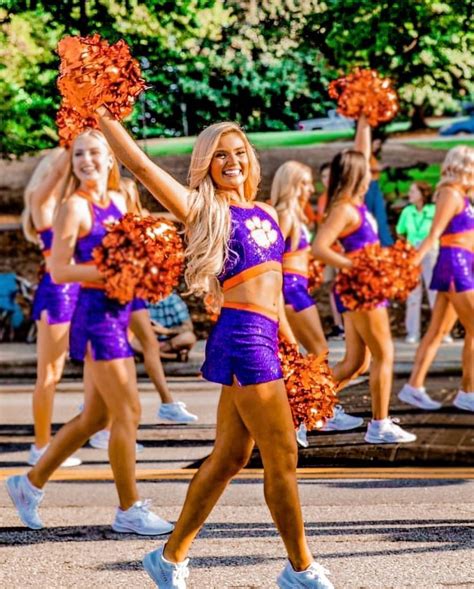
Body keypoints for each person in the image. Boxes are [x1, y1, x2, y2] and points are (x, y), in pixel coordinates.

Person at [98, 110, 334, 588]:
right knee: (282, 458)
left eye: (239, 152)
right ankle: (300, 570)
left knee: (228, 458)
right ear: (206, 164)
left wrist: (294, 351)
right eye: (220, 155)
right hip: (244, 339)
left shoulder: (266, 212)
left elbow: (276, 293)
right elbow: (141, 167)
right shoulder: (206, 210)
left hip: (267, 338)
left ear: (251, 158)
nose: (232, 161)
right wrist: (103, 116)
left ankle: (169, 558)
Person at [7, 130, 173, 536]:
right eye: (79, 154)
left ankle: (28, 484)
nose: (86, 160)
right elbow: (60, 270)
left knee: (97, 415)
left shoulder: (119, 202)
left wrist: (147, 267)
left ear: (110, 158)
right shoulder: (73, 209)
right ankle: (128, 508)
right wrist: (118, 271)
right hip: (95, 317)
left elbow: (138, 252)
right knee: (128, 411)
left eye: (95, 152)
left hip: (118, 310)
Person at [313, 115, 417, 445]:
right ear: (357, 174)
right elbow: (319, 248)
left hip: (359, 288)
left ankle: (305, 408)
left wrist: (364, 118)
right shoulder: (344, 208)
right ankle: (380, 424)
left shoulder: (354, 202)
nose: (372, 171)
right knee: (385, 355)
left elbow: (359, 149)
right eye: (367, 169)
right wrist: (355, 265)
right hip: (361, 289)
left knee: (356, 361)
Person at [270, 161, 361, 441]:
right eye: (306, 182)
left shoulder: (296, 213)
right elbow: (270, 258)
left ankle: (315, 410)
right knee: (318, 354)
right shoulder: (285, 215)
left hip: (298, 289)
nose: (311, 188)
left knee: (313, 357)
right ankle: (313, 412)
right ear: (294, 185)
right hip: (291, 291)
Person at [399, 146, 474, 412]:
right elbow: (433, 235)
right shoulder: (451, 193)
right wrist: (407, 267)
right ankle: (468, 391)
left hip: (462, 263)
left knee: (437, 331)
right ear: (464, 165)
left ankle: (414, 387)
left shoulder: (461, 194)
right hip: (456, 264)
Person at [22, 147, 81, 468]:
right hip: (59, 295)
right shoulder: (44, 208)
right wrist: (71, 147)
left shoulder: (74, 207)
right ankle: (41, 445)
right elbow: (53, 180)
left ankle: (101, 427)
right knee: (49, 374)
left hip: (81, 293)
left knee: (103, 365)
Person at [396, 182, 437, 344]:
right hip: (412, 252)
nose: (409, 194)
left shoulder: (433, 210)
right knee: (413, 294)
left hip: (431, 251)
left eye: (413, 191)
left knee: (434, 292)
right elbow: (400, 232)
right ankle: (413, 332)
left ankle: (441, 332)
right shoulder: (407, 211)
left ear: (423, 193)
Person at [144, 292, 197, 362]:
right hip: (146, 341)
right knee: (131, 341)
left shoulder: (173, 299)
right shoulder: (139, 301)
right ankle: (171, 356)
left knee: (189, 337)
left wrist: (165, 331)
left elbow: (188, 327)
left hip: (168, 342)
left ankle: (151, 354)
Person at [364, 133, 394, 247]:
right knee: (372, 213)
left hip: (375, 185)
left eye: (379, 144)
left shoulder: (372, 156)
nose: (377, 146)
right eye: (376, 143)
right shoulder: (366, 155)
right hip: (370, 185)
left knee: (380, 213)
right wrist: (381, 167)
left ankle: (385, 241)